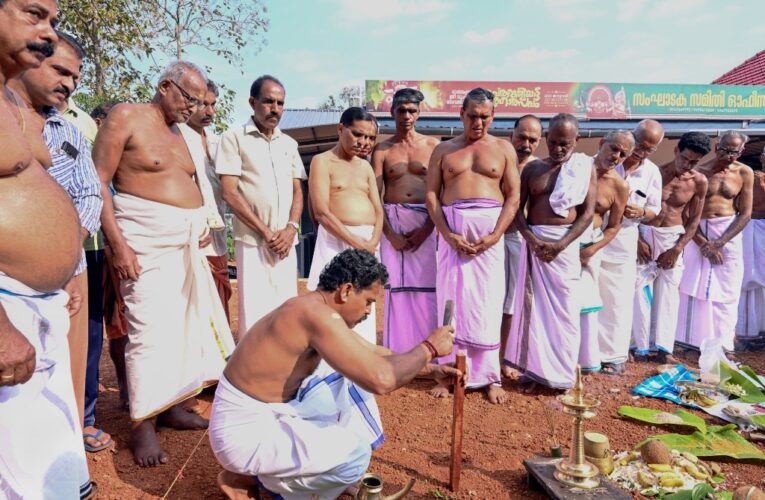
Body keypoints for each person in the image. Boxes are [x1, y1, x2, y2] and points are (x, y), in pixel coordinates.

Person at [209, 249, 460, 500]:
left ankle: (274, 474)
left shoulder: (314, 308)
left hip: (264, 416)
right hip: (245, 434)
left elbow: (372, 353)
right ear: (347, 290)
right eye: (369, 301)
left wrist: (430, 369)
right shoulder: (314, 315)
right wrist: (430, 348)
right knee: (356, 456)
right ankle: (259, 480)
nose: (369, 312)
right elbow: (381, 380)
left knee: (345, 380)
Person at [94, 60, 235, 467]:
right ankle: (142, 424)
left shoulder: (186, 135)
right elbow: (99, 180)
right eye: (188, 98)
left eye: (198, 102)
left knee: (185, 329)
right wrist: (116, 244)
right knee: (149, 332)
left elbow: (192, 186)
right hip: (143, 243)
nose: (192, 108)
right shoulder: (126, 117)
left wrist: (202, 224)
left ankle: (173, 405)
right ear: (165, 86)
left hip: (188, 245)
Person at [0, 0, 93, 496]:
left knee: (43, 465)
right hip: (6, 315)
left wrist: (59, 276)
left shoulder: (16, 105)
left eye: (53, 22)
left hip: (37, 304)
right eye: (34, 14)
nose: (46, 32)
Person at [8, 29, 109, 453]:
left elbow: (90, 191)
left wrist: (68, 247)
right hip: (9, 283)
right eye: (60, 70)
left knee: (65, 366)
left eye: (75, 77)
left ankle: (69, 444)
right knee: (15, 383)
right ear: (30, 59)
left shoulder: (67, 130)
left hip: (73, 272)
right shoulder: (7, 121)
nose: (69, 83)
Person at [426, 88, 520, 404]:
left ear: (492, 117)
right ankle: (448, 372)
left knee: (487, 305)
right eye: (472, 115)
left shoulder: (504, 150)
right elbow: (431, 196)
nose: (478, 122)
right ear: (461, 114)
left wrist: (495, 236)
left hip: (488, 241)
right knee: (451, 304)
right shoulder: (443, 151)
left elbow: (513, 196)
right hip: (453, 238)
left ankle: (490, 377)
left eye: (484, 116)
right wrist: (448, 234)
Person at [505, 113, 596, 390]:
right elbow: (516, 210)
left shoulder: (584, 169)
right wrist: (531, 239)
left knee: (566, 313)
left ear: (576, 141)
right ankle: (533, 372)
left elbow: (587, 214)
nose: (558, 149)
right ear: (546, 139)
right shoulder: (533, 171)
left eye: (565, 144)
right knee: (532, 311)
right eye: (554, 142)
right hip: (534, 245)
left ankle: (562, 376)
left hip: (564, 248)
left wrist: (561, 244)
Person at [216, 75, 305, 339]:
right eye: (268, 101)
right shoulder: (233, 138)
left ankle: (287, 372)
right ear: (252, 102)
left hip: (287, 242)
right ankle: (252, 375)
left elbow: (298, 191)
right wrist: (267, 233)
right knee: (255, 310)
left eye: (280, 103)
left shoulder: (289, 144)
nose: (275, 108)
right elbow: (229, 192)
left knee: (288, 309)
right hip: (254, 240)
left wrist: (291, 228)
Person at [372, 88, 440, 352]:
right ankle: (398, 353)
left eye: (412, 110)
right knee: (396, 291)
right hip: (394, 225)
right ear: (392, 112)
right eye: (402, 110)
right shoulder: (382, 150)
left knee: (428, 289)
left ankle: (431, 353)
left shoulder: (433, 146)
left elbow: (438, 192)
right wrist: (390, 234)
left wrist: (426, 229)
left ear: (419, 113)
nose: (407, 116)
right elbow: (376, 196)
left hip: (426, 225)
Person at [308, 106, 383, 345]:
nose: (364, 142)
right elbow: (322, 212)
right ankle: (329, 371)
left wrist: (372, 242)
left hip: (368, 245)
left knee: (364, 303)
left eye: (370, 138)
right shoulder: (322, 162)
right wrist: (355, 243)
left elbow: (379, 210)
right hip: (336, 241)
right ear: (341, 129)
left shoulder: (366, 167)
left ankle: (361, 371)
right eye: (358, 134)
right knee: (333, 304)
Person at [632, 132, 709, 362]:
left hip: (673, 238)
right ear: (676, 150)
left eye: (694, 162)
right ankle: (640, 348)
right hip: (645, 234)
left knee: (668, 294)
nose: (688, 165)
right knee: (639, 291)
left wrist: (677, 249)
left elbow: (694, 220)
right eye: (685, 158)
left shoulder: (699, 181)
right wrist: (637, 240)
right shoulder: (652, 173)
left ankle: (664, 349)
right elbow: (633, 208)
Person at [676, 131, 753, 354]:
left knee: (728, 290)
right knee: (691, 287)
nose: (728, 156)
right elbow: (686, 213)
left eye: (733, 152)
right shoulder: (698, 172)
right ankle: (691, 341)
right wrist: (702, 243)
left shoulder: (744, 172)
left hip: (728, 235)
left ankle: (723, 343)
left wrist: (718, 243)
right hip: (698, 233)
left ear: (741, 152)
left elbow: (745, 213)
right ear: (717, 146)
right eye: (724, 150)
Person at [597, 119, 664, 374]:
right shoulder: (604, 159)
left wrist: (642, 211)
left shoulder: (651, 173)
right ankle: (586, 354)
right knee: (590, 297)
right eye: (639, 144)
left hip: (624, 240)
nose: (640, 151)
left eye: (649, 149)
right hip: (592, 235)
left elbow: (656, 210)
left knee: (618, 301)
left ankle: (613, 357)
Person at [578, 131, 631, 373]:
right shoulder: (574, 167)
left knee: (586, 303)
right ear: (601, 143)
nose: (616, 156)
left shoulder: (618, 186)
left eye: (623, 154)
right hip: (561, 244)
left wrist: (592, 249)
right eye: (614, 148)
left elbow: (614, 225)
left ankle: (584, 362)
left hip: (590, 245)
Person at [90, 100, 130, 410]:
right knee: (116, 324)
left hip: (131, 247)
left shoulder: (124, 160)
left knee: (129, 322)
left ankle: (134, 387)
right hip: (106, 249)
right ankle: (126, 388)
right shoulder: (100, 159)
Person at [181, 80, 231, 322]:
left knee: (219, 309)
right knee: (196, 311)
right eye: (203, 104)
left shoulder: (218, 143)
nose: (210, 111)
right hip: (193, 239)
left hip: (219, 238)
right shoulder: (176, 139)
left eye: (213, 104)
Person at [500, 114, 542, 378]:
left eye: (532, 139)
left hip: (520, 241)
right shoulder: (497, 159)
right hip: (489, 240)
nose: (525, 144)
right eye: (521, 137)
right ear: (511, 135)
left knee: (511, 304)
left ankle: (505, 357)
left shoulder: (541, 169)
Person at [736, 147, 765, 341]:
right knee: (745, 276)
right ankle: (743, 331)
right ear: (761, 157)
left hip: (762, 229)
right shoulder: (749, 177)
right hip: (746, 228)